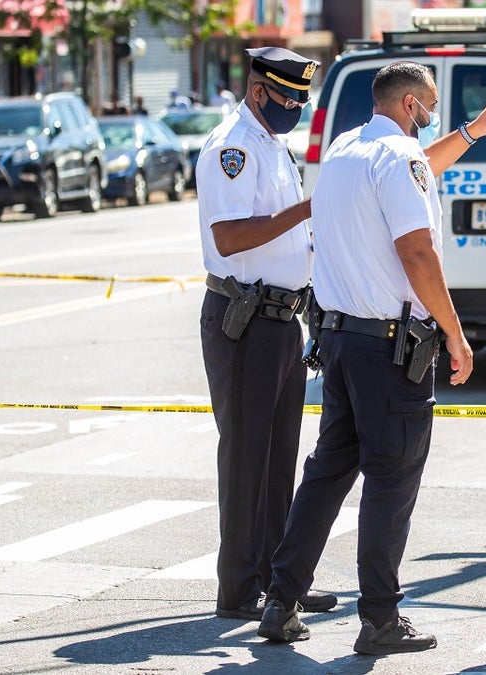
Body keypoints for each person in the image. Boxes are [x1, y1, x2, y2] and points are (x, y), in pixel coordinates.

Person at [256, 60, 486, 655]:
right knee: (391, 480)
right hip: (390, 349)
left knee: (327, 472)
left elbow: (420, 168)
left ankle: (281, 598)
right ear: (409, 107)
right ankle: (378, 618)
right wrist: (455, 333)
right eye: (428, 109)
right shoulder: (397, 159)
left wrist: (474, 132)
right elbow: (418, 254)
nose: (431, 120)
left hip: (342, 340)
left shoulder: (348, 149)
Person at [196, 46, 336, 623]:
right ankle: (238, 589)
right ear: (258, 92)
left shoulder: (271, 144)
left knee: (281, 461)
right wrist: (304, 210)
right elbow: (228, 237)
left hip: (280, 318)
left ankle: (282, 584)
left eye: (302, 100)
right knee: (247, 457)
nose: (296, 110)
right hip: (244, 319)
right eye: (288, 99)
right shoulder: (232, 146)